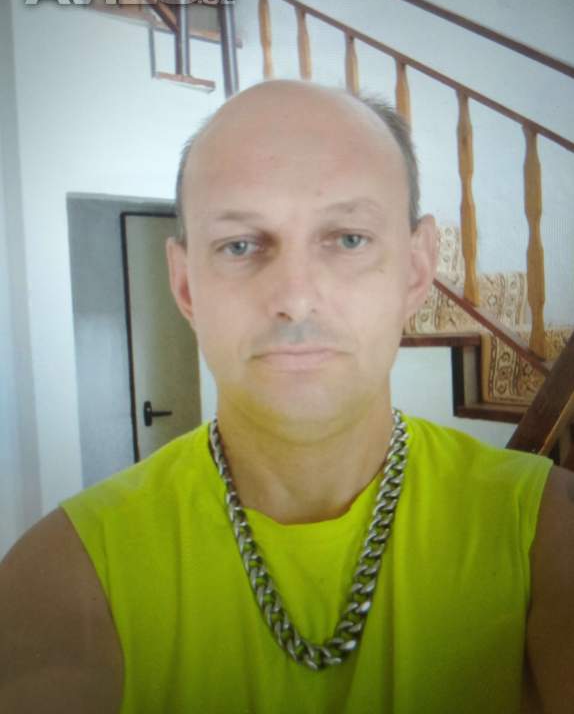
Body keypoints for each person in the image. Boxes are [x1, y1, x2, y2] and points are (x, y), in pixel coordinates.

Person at [0, 80, 572, 714]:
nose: (295, 299)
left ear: (416, 270)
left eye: (348, 238)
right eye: (241, 245)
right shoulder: (67, 572)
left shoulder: (545, 531)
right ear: (186, 287)